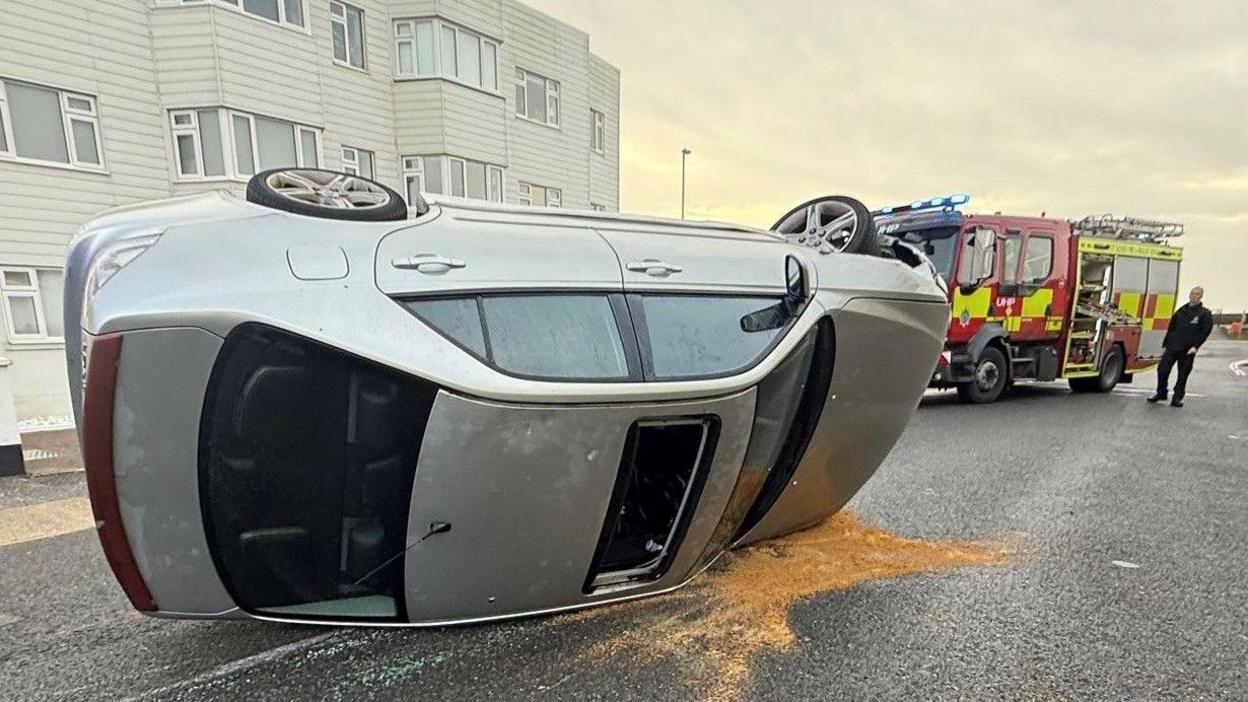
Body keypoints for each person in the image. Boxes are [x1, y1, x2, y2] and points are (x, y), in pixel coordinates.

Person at [1148, 286, 1213, 407]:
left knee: (1182, 375)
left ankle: (1177, 398)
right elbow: (1171, 328)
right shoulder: (1181, 311)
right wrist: (1165, 345)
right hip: (1173, 346)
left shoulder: (1204, 314)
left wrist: (1196, 346)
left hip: (1188, 349)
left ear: (1201, 296)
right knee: (1162, 369)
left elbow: (1205, 331)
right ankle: (1161, 392)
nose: (1194, 296)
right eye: (1192, 293)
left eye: (1197, 294)